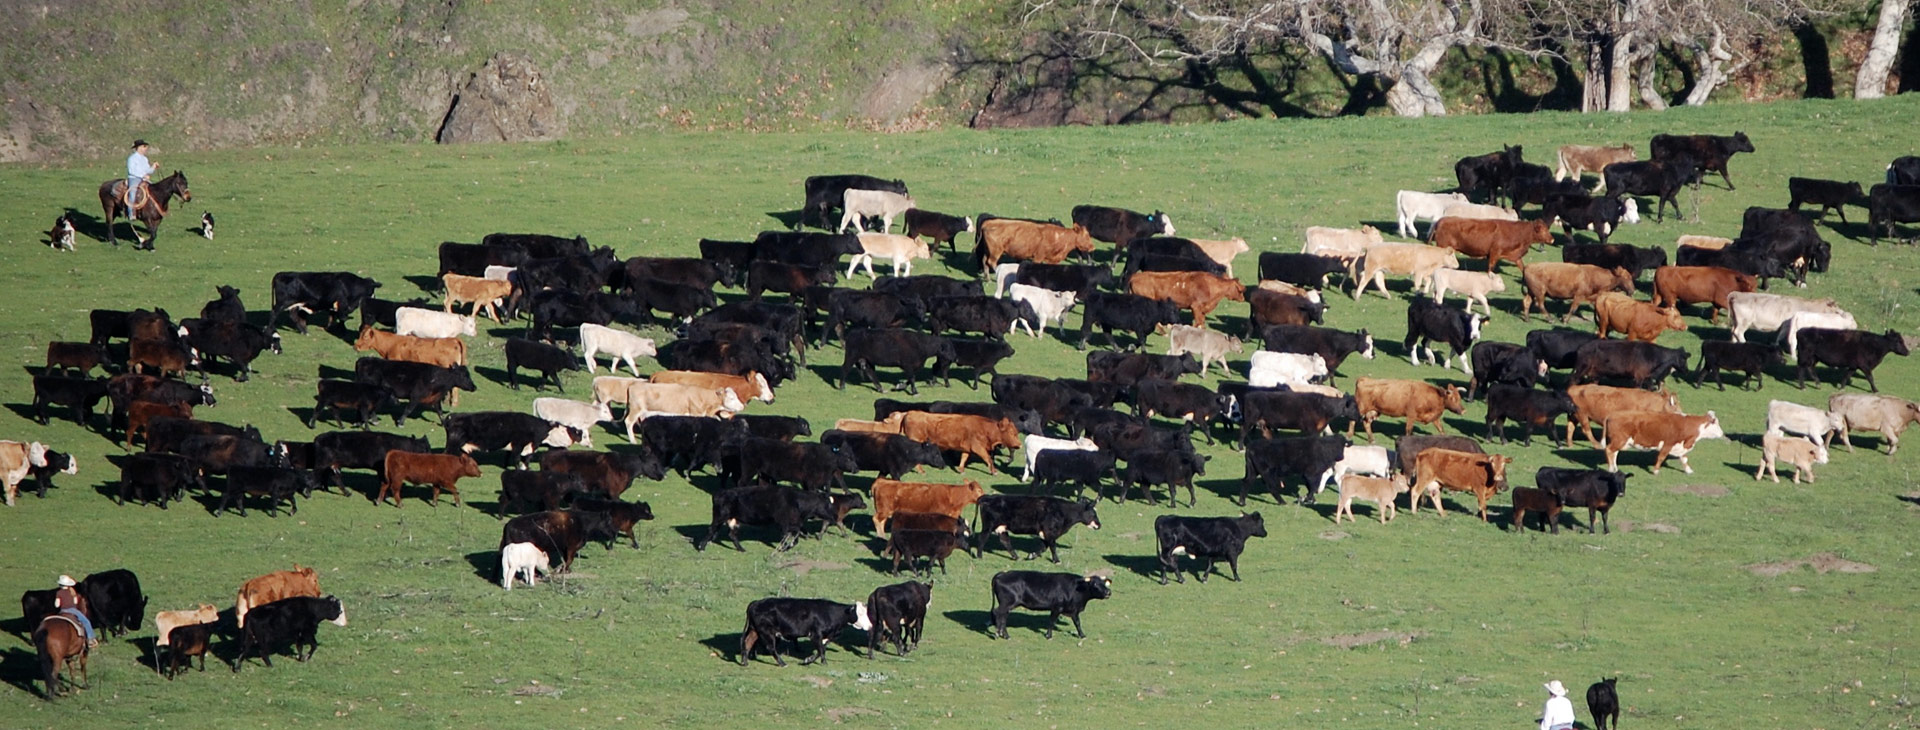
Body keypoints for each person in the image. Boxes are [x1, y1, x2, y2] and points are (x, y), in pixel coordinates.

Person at [52, 575, 97, 648]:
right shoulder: (72, 591)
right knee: (86, 621)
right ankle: (90, 638)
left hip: (63, 611)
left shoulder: (59, 592)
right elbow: (75, 602)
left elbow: (57, 605)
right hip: (72, 610)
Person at [126, 139, 155, 215]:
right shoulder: (132, 158)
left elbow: (148, 170)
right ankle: (131, 213)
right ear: (139, 147)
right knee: (132, 193)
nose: (145, 148)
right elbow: (131, 171)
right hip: (134, 179)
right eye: (143, 146)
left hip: (144, 179)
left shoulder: (145, 159)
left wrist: (153, 167)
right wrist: (143, 175)